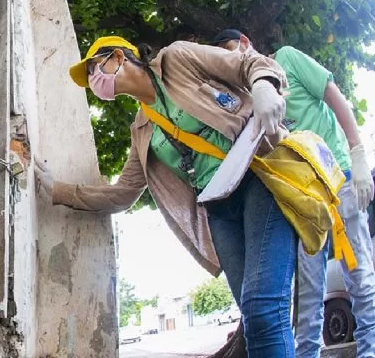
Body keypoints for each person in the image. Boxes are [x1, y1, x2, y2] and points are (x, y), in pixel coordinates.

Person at [34, 35, 297, 356]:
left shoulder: (177, 59)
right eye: (89, 78)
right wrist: (58, 190)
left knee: (263, 306)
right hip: (218, 209)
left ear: (118, 57)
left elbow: (247, 63)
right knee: (252, 315)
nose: (93, 81)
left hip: (258, 176)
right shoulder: (142, 127)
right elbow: (122, 194)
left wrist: (264, 86)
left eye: (94, 68)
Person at [212, 29, 375, 358]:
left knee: (360, 279)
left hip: (337, 179)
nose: (232, 62)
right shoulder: (248, 103)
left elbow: (334, 95)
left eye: (232, 52)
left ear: (245, 43)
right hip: (302, 197)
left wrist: (357, 156)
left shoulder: (286, 59)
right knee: (310, 292)